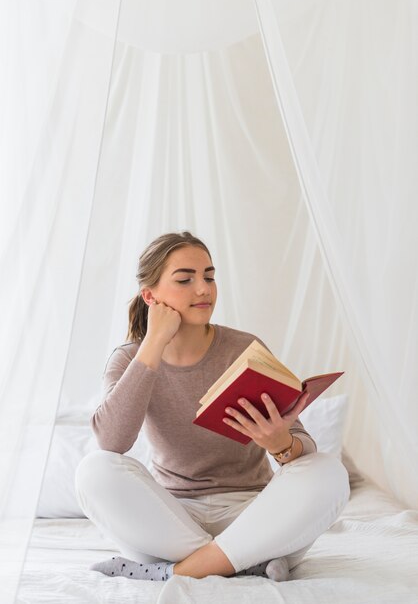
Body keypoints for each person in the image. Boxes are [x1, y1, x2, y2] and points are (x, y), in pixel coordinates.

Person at [75, 231, 350, 582]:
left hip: (252, 511)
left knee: (328, 471)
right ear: (150, 296)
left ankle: (175, 571)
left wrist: (281, 445)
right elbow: (112, 442)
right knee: (93, 470)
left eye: (209, 276)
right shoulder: (130, 358)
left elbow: (302, 443)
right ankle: (246, 560)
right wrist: (155, 342)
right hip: (170, 518)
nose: (203, 289)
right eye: (185, 279)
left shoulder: (243, 347)